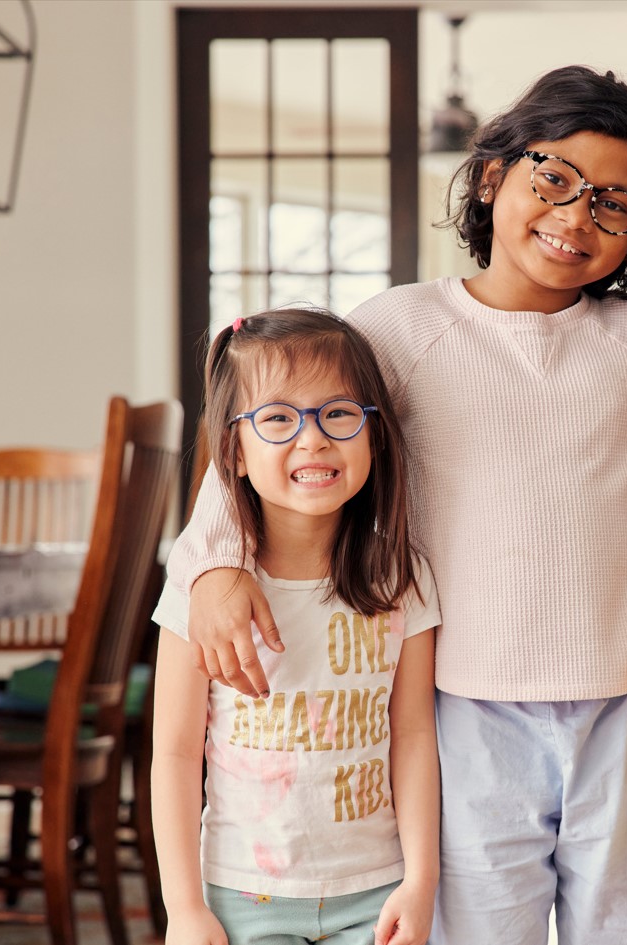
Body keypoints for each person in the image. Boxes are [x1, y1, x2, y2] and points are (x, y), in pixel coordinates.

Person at [166, 67, 627, 945]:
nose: (576, 217)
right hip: (464, 710)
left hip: (624, 703)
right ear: (492, 177)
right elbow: (275, 435)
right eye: (554, 179)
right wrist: (216, 561)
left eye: (613, 202)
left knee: (625, 929)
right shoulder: (400, 329)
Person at [150, 309, 441, 945]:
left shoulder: (402, 576)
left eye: (337, 413)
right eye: (278, 419)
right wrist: (184, 908)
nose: (312, 440)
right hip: (242, 896)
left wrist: (420, 883)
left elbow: (413, 733)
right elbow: (174, 752)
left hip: (376, 891)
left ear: (374, 433)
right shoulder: (201, 593)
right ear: (235, 448)